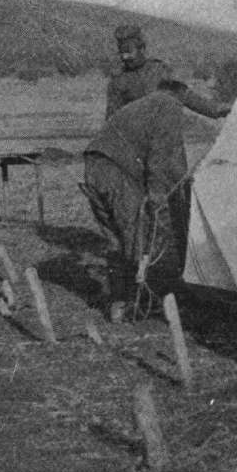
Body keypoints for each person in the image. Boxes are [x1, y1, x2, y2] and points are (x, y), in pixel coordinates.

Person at [83, 79, 199, 321]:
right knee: (138, 237)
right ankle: (141, 302)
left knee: (116, 238)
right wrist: (158, 197)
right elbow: (160, 157)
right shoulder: (168, 105)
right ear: (180, 96)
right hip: (115, 172)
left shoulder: (144, 105)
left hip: (94, 168)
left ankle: (119, 304)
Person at [106, 23, 231, 120]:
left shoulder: (159, 70)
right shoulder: (118, 81)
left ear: (142, 49)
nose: (124, 57)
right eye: (121, 52)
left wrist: (215, 109)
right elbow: (112, 120)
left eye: (129, 51)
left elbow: (184, 94)